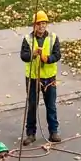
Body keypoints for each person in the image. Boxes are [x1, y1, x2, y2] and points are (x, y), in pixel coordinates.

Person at [19, 10, 61, 144]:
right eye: (39, 24)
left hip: (49, 78)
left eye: (44, 23)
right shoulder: (28, 39)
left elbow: (57, 55)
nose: (42, 26)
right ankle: (31, 134)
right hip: (33, 78)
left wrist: (47, 58)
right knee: (32, 106)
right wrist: (33, 54)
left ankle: (53, 132)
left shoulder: (53, 38)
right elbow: (23, 56)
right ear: (34, 25)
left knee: (51, 106)